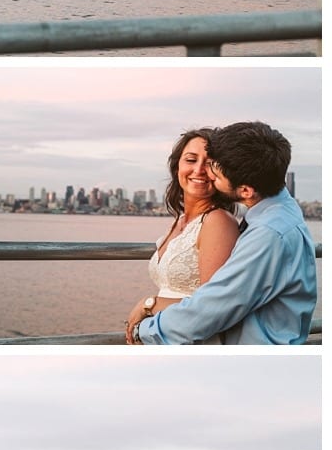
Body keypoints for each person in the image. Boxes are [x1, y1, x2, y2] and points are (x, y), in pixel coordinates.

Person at [128, 122, 317, 344]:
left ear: (246, 190)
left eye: (215, 173)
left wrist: (145, 326)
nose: (206, 172)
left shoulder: (268, 233)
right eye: (191, 159)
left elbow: (213, 308)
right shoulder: (277, 210)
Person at [124, 129, 240, 345]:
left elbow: (211, 307)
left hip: (194, 342)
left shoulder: (217, 222)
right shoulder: (179, 221)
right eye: (191, 159)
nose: (199, 170)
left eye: (210, 163)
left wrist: (148, 305)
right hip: (164, 334)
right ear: (177, 165)